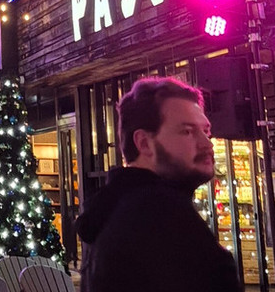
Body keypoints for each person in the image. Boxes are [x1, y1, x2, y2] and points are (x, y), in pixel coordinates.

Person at [75, 77, 242, 292]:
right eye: (187, 131)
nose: (206, 143)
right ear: (144, 143)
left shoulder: (110, 209)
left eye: (205, 131)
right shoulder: (160, 215)